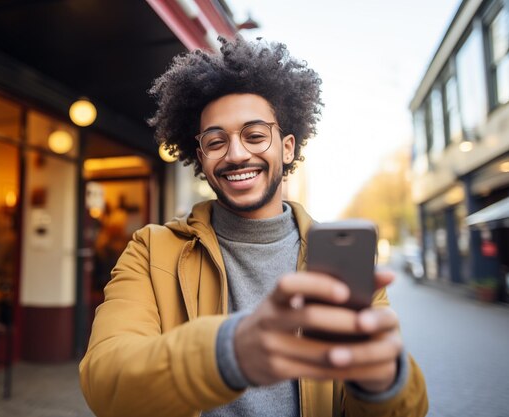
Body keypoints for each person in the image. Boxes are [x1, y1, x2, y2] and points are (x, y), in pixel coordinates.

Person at [79, 37, 428, 417]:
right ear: (201, 157)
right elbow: (106, 380)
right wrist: (231, 352)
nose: (236, 154)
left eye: (256, 135)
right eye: (216, 141)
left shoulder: (337, 262)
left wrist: (382, 382)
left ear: (288, 147)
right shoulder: (150, 251)